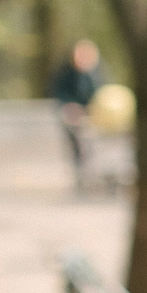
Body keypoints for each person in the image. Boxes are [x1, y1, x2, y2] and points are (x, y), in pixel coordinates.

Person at [47, 38, 104, 193]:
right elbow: (60, 93)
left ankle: (91, 171)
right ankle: (80, 172)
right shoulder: (66, 72)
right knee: (75, 140)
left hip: (93, 114)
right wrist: (70, 107)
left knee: (92, 142)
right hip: (71, 113)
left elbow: (101, 94)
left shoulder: (96, 73)